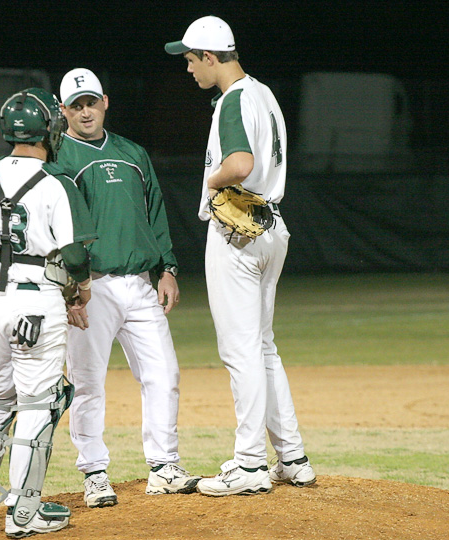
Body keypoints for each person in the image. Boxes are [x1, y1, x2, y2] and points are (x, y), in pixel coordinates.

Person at [165, 16, 316, 496]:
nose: (188, 68)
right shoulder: (263, 93)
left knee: (240, 348)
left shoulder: (231, 100)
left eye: (191, 59)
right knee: (264, 346)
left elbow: (240, 164)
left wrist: (210, 182)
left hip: (238, 234)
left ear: (210, 57)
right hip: (271, 225)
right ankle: (291, 457)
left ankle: (250, 464)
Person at [0, 88, 98, 536]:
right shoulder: (55, 184)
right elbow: (74, 255)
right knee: (38, 404)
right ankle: (23, 511)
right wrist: (79, 292)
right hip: (37, 304)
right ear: (49, 130)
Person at [56, 67, 200, 508]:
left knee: (164, 374)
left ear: (105, 102)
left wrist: (167, 268)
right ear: (63, 111)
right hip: (89, 288)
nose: (85, 111)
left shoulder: (133, 153)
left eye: (91, 101)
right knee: (87, 383)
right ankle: (95, 473)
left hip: (139, 284)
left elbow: (155, 213)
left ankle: (164, 467)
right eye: (76, 105)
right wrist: (67, 290)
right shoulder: (58, 158)